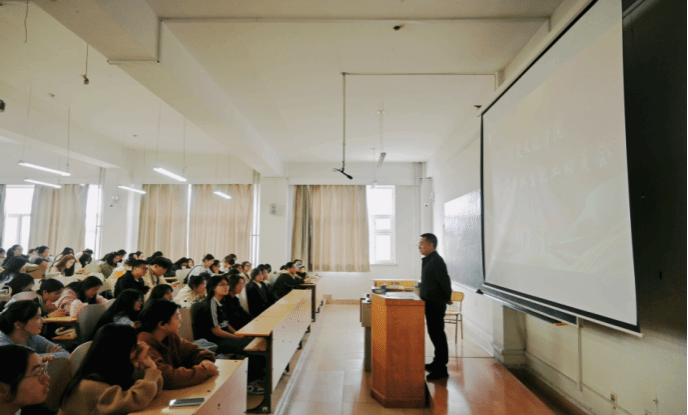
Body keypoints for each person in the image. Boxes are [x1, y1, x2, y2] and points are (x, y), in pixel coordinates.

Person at [58, 324, 163, 415]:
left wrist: (145, 364)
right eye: (134, 347)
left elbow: (153, 392)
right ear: (119, 353)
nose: (138, 350)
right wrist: (151, 368)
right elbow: (137, 399)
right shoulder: (90, 385)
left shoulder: (114, 372)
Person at [194, 275, 263, 394]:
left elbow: (226, 324)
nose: (226, 287)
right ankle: (248, 383)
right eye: (222, 284)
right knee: (251, 347)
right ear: (213, 288)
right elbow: (216, 331)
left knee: (255, 342)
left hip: (222, 338)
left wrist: (238, 334)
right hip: (214, 342)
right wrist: (237, 337)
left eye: (227, 284)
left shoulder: (222, 302)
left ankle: (256, 376)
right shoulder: (211, 304)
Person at [137, 299, 218, 389]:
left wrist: (205, 361)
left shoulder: (170, 337)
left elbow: (195, 351)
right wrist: (204, 370)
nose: (181, 320)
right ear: (162, 324)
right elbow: (167, 377)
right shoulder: (142, 346)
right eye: (177, 316)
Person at [418, 233, 452, 380]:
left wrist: (447, 298)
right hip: (429, 302)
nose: (419, 247)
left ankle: (441, 369)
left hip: (435, 303)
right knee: (434, 333)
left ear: (431, 245)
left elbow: (445, 281)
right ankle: (436, 363)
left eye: (422, 244)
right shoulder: (429, 260)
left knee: (438, 335)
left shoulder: (436, 261)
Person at [0, 301, 69, 359]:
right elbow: (18, 362)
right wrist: (45, 357)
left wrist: (46, 357)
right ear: (18, 324)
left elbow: (66, 355)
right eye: (37, 318)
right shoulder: (3, 344)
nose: (43, 321)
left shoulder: (32, 337)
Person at [0, 345, 51, 415]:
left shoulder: (35, 409)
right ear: (2, 389)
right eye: (38, 372)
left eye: (43, 370)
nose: (47, 377)